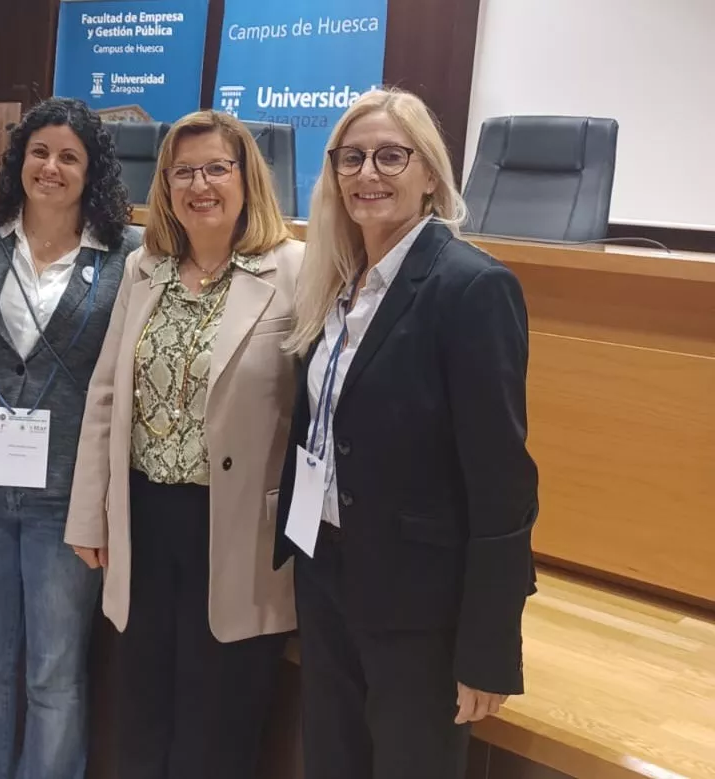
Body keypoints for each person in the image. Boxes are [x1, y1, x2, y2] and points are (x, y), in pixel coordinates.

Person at [274, 87, 539, 779]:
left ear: (430, 174)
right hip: (327, 570)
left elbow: (502, 483)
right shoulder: (335, 279)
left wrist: (488, 646)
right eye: (352, 158)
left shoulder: (472, 288)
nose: (368, 173)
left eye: (391, 155)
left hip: (419, 603)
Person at [66, 110, 303, 779]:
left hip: (235, 531)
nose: (200, 184)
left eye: (217, 168)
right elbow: (107, 394)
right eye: (183, 171)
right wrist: (91, 513)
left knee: (217, 725)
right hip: (143, 518)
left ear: (247, 177)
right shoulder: (147, 268)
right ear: (165, 185)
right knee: (142, 710)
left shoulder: (294, 269)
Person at [0, 97, 139, 779]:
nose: (52, 167)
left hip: (67, 500)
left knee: (54, 672)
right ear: (20, 160)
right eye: (40, 152)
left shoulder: (126, 256)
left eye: (70, 156)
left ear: (92, 170)